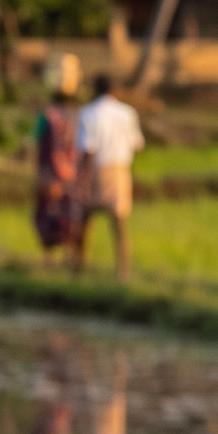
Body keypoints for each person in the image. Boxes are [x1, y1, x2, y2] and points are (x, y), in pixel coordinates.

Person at [73, 71, 145, 281]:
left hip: (97, 170)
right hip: (121, 171)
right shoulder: (128, 113)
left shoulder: (88, 113)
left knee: (85, 220)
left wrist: (83, 181)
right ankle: (123, 270)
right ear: (115, 90)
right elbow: (137, 144)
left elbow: (88, 150)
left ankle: (80, 266)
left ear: (95, 90)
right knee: (119, 223)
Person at [33, 80, 84, 255]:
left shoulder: (47, 116)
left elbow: (33, 140)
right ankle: (69, 256)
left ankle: (49, 257)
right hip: (72, 175)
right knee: (69, 215)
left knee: (48, 213)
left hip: (49, 175)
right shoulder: (78, 117)